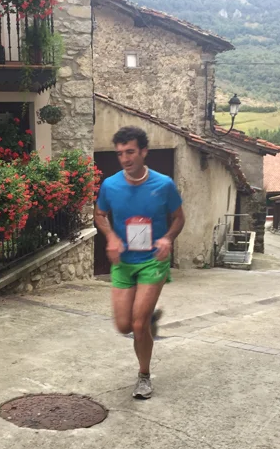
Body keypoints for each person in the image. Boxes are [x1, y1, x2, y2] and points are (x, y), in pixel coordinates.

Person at [94, 126, 185, 399]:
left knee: (137, 325)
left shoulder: (164, 184)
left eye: (130, 152)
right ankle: (148, 320)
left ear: (144, 151)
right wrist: (111, 236)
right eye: (120, 153)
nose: (125, 158)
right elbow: (100, 214)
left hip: (152, 261)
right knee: (124, 326)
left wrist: (168, 238)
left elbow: (179, 218)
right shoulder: (110, 185)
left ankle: (144, 376)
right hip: (123, 262)